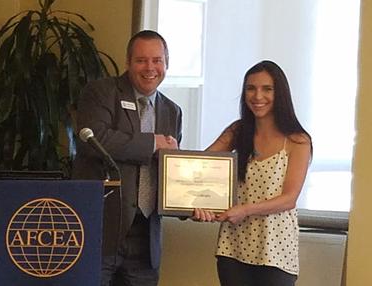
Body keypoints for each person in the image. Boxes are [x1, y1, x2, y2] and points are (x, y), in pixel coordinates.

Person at [72, 30, 181, 286]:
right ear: (128, 62)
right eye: (141, 60)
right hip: (100, 230)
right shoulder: (101, 92)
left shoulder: (172, 111)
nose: (150, 68)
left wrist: (191, 201)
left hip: (145, 238)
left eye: (157, 60)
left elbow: (170, 171)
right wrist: (152, 142)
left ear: (167, 63)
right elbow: (94, 141)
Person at [193, 60, 312, 286]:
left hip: (275, 250)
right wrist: (174, 157)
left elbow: (289, 199)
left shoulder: (298, 140)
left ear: (281, 93)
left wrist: (245, 210)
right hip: (233, 246)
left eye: (267, 89)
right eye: (251, 88)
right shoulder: (237, 131)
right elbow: (201, 165)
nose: (258, 96)